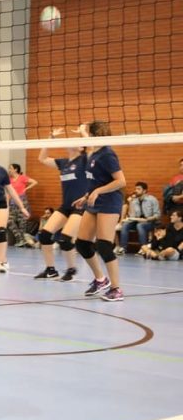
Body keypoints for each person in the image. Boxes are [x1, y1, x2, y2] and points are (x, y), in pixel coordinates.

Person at [73, 121, 127, 302]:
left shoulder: (107, 154)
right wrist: (87, 195)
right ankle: (100, 279)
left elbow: (121, 181)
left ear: (93, 135)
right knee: (82, 244)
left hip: (109, 201)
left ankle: (116, 289)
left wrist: (97, 192)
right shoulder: (94, 153)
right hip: (94, 201)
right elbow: (97, 180)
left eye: (87, 133)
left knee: (104, 245)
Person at [34, 126, 90, 281]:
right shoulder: (63, 163)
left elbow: (92, 147)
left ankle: (71, 270)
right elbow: (42, 159)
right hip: (66, 205)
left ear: (81, 147)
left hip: (81, 206)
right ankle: (50, 270)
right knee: (44, 235)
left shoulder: (84, 160)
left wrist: (83, 133)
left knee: (65, 239)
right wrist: (50, 138)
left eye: (76, 141)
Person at [114, 181, 160, 255]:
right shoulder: (135, 201)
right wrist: (130, 203)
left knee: (140, 225)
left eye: (138, 189)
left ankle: (143, 248)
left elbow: (157, 215)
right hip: (137, 221)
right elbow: (132, 215)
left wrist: (147, 219)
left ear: (144, 191)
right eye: (135, 189)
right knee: (125, 225)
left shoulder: (152, 199)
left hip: (150, 222)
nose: (136, 191)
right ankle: (123, 248)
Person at [7, 163, 38, 247]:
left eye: (10, 168)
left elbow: (35, 182)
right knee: (9, 221)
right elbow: (8, 192)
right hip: (12, 202)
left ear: (16, 169)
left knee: (22, 222)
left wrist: (26, 188)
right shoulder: (9, 179)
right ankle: (20, 238)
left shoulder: (22, 178)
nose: (9, 170)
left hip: (22, 201)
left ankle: (22, 241)